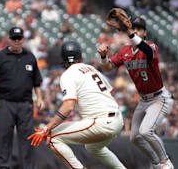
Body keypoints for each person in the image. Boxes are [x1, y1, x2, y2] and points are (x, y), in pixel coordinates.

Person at [28, 40, 126, 169]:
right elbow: (111, 92)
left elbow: (68, 107)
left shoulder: (68, 75)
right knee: (93, 147)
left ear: (63, 60)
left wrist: (47, 128)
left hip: (100, 122)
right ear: (81, 56)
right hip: (118, 120)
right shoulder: (92, 69)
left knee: (51, 137)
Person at [97, 17, 174, 169]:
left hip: (159, 98)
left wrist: (131, 33)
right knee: (134, 138)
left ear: (144, 33)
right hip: (143, 100)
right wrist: (104, 57)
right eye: (134, 28)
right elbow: (107, 68)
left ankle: (166, 161)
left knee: (146, 131)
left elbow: (146, 50)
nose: (135, 31)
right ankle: (156, 163)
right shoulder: (125, 51)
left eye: (139, 29)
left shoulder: (151, 46)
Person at [0, 27, 45, 169]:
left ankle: (28, 167)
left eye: (19, 38)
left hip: (25, 104)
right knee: (3, 137)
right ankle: (2, 167)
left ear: (23, 39)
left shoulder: (30, 57)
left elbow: (36, 81)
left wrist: (40, 98)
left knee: (27, 139)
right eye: (14, 38)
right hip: (5, 103)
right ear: (8, 39)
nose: (17, 41)